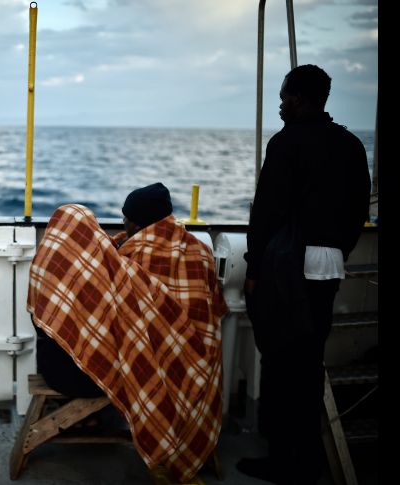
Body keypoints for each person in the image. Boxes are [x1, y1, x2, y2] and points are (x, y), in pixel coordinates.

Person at [27, 183, 227, 482]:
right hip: (200, 366)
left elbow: (118, 323)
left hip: (149, 367)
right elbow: (216, 307)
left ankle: (138, 435)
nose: (123, 226)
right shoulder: (200, 250)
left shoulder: (129, 258)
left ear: (135, 223)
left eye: (125, 220)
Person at [239, 64, 371, 485]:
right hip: (328, 263)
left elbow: (267, 212)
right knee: (309, 363)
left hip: (287, 267)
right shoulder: (351, 145)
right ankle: (309, 456)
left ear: (299, 97)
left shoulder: (285, 143)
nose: (280, 103)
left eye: (284, 96)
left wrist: (255, 267)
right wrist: (337, 251)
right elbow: (357, 210)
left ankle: (283, 459)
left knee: (280, 360)